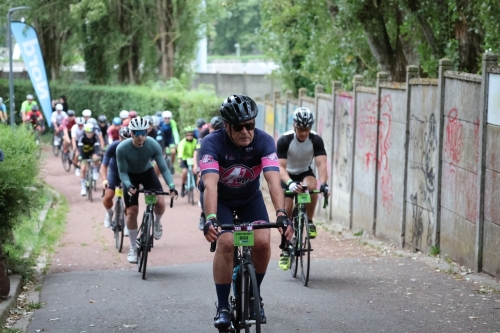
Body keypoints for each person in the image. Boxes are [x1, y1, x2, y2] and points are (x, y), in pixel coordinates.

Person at [200, 94, 293, 330]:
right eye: (239, 127)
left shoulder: (264, 141)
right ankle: (222, 307)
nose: (245, 131)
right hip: (221, 199)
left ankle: (254, 296)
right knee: (227, 243)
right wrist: (210, 218)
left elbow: (273, 181)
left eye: (250, 125)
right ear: (227, 126)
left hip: (250, 198)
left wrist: (281, 213)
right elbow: (210, 184)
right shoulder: (212, 142)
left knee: (262, 242)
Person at [116, 117, 178, 264]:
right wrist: (129, 185)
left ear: (147, 132)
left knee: (160, 203)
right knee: (132, 212)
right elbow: (122, 172)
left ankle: (156, 223)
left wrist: (171, 186)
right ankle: (133, 247)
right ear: (131, 133)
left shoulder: (152, 144)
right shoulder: (122, 148)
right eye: (137, 133)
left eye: (143, 132)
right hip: (130, 177)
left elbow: (163, 168)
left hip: (147, 173)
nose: (140, 136)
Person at [276, 107, 330, 270]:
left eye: (307, 129)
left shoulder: (316, 140)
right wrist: (290, 183)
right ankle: (285, 249)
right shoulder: (285, 140)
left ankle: (310, 221)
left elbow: (321, 163)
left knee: (313, 186)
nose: (304, 133)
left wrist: (324, 183)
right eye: (301, 130)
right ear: (294, 126)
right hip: (287, 175)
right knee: (287, 209)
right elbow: (280, 166)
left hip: (304, 172)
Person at [194, 116, 223, 230]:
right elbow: (198, 153)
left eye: (218, 128)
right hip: (207, 162)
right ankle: (203, 214)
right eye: (213, 128)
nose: (214, 131)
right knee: (203, 183)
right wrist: (198, 169)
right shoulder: (204, 134)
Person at [100, 127, 132, 232]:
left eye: (129, 139)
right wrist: (104, 180)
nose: (126, 142)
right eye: (124, 139)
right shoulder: (114, 146)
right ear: (119, 137)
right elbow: (104, 165)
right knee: (108, 195)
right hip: (114, 172)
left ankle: (127, 222)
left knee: (130, 200)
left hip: (128, 174)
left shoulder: (136, 147)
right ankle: (109, 214)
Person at [78, 123, 101, 196]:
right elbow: (80, 149)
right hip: (84, 153)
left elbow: (97, 148)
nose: (90, 134)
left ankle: (94, 171)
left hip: (92, 152)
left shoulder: (95, 137)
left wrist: (97, 155)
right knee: (83, 169)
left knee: (96, 158)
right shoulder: (82, 138)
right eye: (89, 132)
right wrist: (80, 158)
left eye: (92, 132)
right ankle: (83, 188)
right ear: (85, 132)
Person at [177, 126, 198, 197]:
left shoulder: (196, 141)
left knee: (195, 170)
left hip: (193, 159)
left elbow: (198, 151)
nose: (189, 136)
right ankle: (183, 186)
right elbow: (180, 150)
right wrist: (180, 158)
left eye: (191, 135)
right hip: (185, 159)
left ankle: (195, 182)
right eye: (188, 135)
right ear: (185, 135)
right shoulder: (182, 142)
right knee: (184, 172)